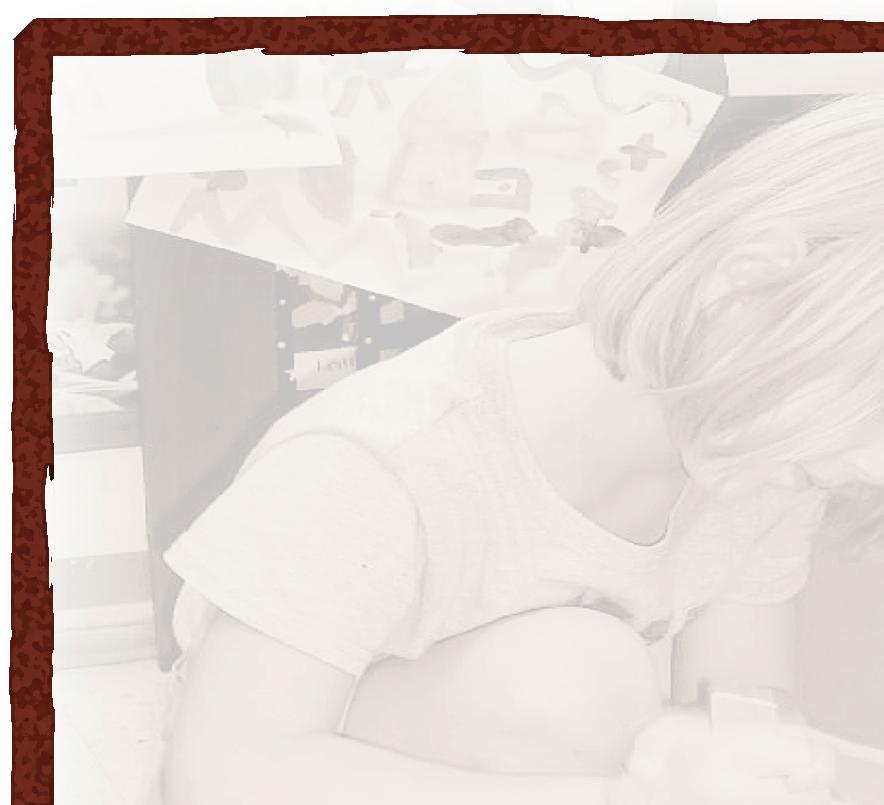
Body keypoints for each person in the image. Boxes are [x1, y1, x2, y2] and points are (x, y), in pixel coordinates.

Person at [160, 93, 884, 805]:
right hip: (285, 779)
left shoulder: (766, 464)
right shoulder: (379, 458)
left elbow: (741, 706)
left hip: (529, 763)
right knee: (574, 674)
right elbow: (219, 776)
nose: (874, 467)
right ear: (746, 285)